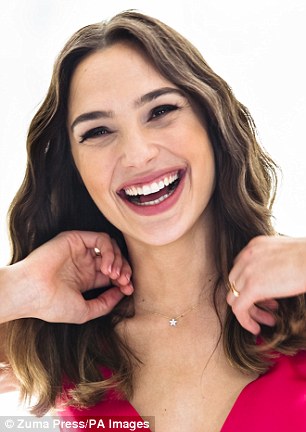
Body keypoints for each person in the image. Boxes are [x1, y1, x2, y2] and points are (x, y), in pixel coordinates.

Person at [1, 10, 306, 431]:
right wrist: (16, 290)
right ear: (74, 169)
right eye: (98, 132)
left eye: (161, 110)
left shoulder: (298, 303)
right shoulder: (57, 345)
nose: (138, 153)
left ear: (211, 123)